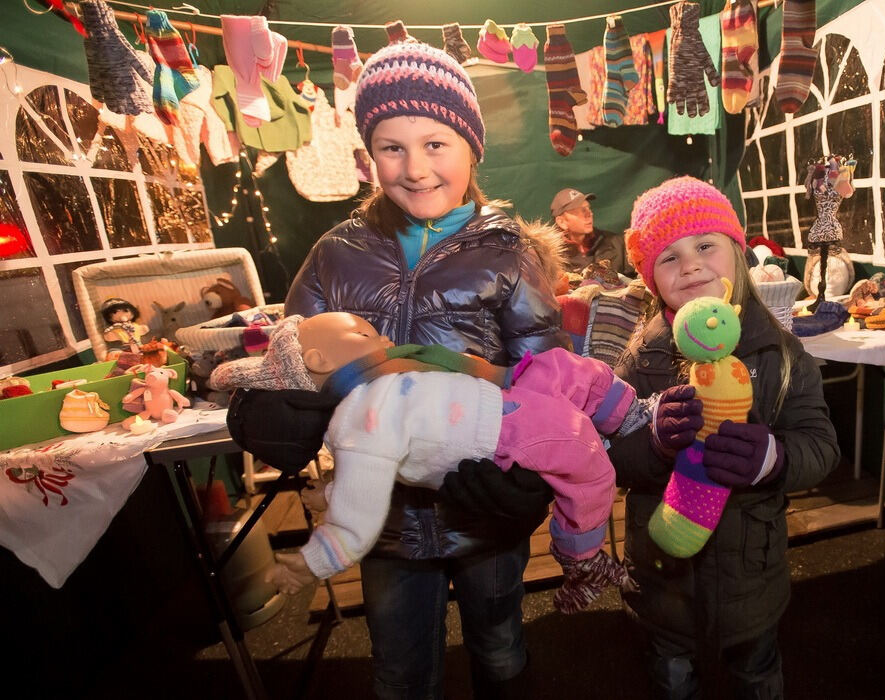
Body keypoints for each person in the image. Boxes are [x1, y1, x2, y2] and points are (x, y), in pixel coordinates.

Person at [278, 41, 570, 698]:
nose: (414, 168)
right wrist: (274, 406)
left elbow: (547, 372)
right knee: (400, 669)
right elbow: (291, 359)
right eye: (391, 146)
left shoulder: (508, 252)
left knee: (499, 646)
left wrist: (525, 474)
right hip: (377, 516)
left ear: (471, 147)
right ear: (367, 153)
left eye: (435, 144)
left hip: (486, 505)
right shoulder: (334, 253)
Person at [210, 312, 637, 613]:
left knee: (559, 366)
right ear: (318, 362)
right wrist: (311, 562)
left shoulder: (373, 393)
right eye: (366, 336)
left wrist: (330, 492)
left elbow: (360, 472)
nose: (386, 342)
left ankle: (632, 416)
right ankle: (582, 559)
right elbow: (356, 518)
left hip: (506, 398)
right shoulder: (361, 416)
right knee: (588, 462)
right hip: (505, 432)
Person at [604, 176, 840, 698]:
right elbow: (612, 455)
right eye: (668, 257)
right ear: (650, 280)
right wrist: (655, 444)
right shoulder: (642, 355)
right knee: (671, 676)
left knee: (757, 675)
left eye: (704, 246)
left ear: (737, 252)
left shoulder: (780, 352)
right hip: (664, 576)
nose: (689, 265)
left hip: (750, 576)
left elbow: (821, 444)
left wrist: (774, 458)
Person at [551, 187, 633, 278]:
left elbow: (635, 282)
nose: (589, 214)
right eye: (580, 210)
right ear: (562, 222)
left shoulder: (617, 243)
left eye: (588, 208)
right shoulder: (550, 258)